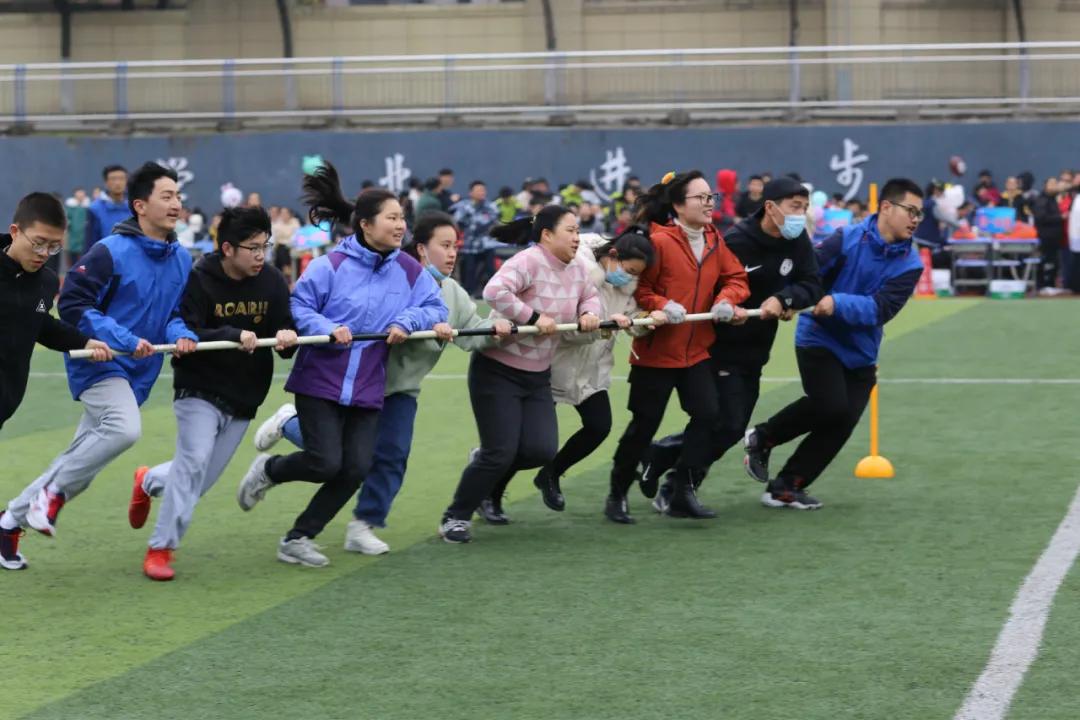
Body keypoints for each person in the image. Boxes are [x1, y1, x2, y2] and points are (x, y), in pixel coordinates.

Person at [254, 211, 512, 555]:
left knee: (390, 456)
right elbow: (374, 315)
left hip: (399, 390)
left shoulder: (452, 293)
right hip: (359, 383)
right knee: (337, 458)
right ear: (421, 249)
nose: (452, 254)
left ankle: (363, 525)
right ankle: (291, 426)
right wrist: (419, 323)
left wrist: (496, 329)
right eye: (445, 245)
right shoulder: (395, 275)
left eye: (456, 247)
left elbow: (471, 336)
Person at [235, 162, 447, 569]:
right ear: (366, 225)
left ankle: (298, 538)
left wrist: (407, 321)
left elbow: (432, 306)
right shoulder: (329, 265)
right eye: (392, 218)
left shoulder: (408, 269)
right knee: (325, 462)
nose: (402, 225)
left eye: (403, 217)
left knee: (355, 468)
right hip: (320, 380)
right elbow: (299, 305)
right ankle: (270, 470)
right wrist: (327, 328)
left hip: (368, 385)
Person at [2, 162, 198, 551]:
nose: (176, 203)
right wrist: (118, 339)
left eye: (178, 196)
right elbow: (75, 305)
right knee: (124, 429)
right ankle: (50, 494)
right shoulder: (109, 251)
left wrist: (182, 336)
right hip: (99, 364)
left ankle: (9, 521)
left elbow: (176, 314)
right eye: (167, 196)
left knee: (83, 464)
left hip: (138, 371)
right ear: (140, 205)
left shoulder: (182, 260)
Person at [129, 206, 298, 581]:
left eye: (264, 246)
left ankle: (148, 480)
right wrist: (231, 335)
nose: (260, 255)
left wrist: (288, 337)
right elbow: (185, 331)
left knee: (198, 481)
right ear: (226, 248)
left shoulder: (271, 281)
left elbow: (284, 332)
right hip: (199, 388)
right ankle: (161, 548)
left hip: (244, 396)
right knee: (192, 464)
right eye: (251, 247)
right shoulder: (198, 279)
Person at [643, 177, 823, 512]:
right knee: (725, 424)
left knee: (730, 425)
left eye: (805, 207)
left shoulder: (797, 240)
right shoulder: (737, 240)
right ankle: (676, 487)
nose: (802, 215)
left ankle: (663, 454)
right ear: (770, 207)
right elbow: (712, 285)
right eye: (795, 207)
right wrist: (728, 305)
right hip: (718, 346)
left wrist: (784, 299)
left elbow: (811, 283)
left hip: (756, 350)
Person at [744, 178, 926, 509]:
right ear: (886, 207)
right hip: (819, 337)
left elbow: (881, 309)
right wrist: (790, 298)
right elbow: (808, 276)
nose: (915, 219)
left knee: (841, 422)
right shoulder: (846, 239)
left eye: (919, 214)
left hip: (862, 352)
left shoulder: (911, 264)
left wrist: (837, 303)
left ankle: (786, 486)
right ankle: (763, 437)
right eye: (910, 211)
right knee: (830, 405)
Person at [438, 205, 603, 544]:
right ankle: (455, 516)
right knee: (501, 452)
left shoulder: (577, 269)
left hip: (538, 374)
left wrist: (589, 313)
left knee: (541, 451)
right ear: (546, 234)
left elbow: (591, 296)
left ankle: (483, 460)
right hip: (497, 371)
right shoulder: (528, 261)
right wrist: (532, 317)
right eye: (570, 230)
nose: (577, 238)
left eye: (577, 230)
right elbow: (494, 292)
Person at [608, 170, 750, 524]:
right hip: (656, 353)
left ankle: (682, 491)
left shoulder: (716, 240)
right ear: (677, 205)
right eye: (700, 198)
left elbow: (737, 278)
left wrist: (728, 299)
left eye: (710, 197)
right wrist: (661, 304)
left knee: (708, 416)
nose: (708, 203)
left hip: (696, 352)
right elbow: (639, 290)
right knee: (644, 426)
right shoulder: (659, 241)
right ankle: (617, 492)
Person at [0, 193, 113, 571]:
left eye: (53, 246)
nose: (44, 252)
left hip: (7, 394)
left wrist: (83, 341)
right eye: (38, 243)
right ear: (16, 231)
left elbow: (41, 325)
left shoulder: (47, 281)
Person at [531, 228, 662, 514]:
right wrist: (603, 327)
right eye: (628, 270)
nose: (629, 277)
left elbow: (629, 320)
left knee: (598, 426)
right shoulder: (576, 270)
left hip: (592, 369)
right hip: (551, 365)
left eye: (636, 274)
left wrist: (644, 321)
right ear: (612, 255)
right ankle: (492, 491)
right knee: (531, 445)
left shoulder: (626, 286)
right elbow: (564, 329)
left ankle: (550, 474)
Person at [453, 180, 500, 298]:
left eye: (483, 190)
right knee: (469, 270)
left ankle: (495, 293)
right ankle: (468, 294)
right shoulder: (464, 206)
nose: (481, 193)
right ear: (471, 193)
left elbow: (492, 219)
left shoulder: (490, 206)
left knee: (490, 269)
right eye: (478, 190)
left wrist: (475, 221)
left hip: (487, 243)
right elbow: (458, 220)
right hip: (470, 245)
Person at [1031, 178, 1065, 294]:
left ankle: (1049, 285)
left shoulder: (1053, 199)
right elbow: (1041, 218)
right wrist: (1061, 217)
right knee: (1046, 262)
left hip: (1054, 238)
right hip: (1046, 238)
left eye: (1056, 183)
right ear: (1045, 186)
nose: (1055, 186)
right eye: (1052, 184)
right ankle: (1043, 285)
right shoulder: (1042, 200)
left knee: (1054, 262)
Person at [85, 164, 129, 252]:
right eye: (113, 179)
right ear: (106, 183)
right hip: (105, 259)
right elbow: (90, 242)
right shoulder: (95, 209)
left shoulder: (135, 207)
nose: (117, 183)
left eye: (121, 179)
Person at [64, 188, 90, 267]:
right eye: (79, 193)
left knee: (83, 264)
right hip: (71, 239)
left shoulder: (88, 208)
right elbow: (65, 220)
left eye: (82, 193)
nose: (80, 195)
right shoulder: (70, 208)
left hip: (84, 240)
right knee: (71, 263)